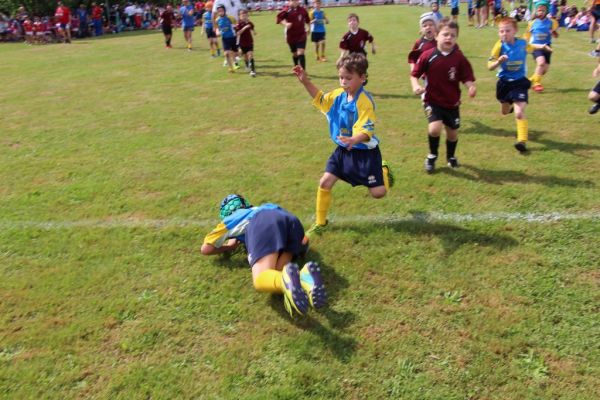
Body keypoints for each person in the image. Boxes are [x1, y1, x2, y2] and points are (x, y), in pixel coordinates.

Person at [293, 53, 394, 236]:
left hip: (365, 153)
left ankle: (384, 171)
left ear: (362, 78)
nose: (343, 82)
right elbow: (321, 100)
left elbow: (367, 129)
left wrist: (354, 139)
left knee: (378, 193)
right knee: (325, 182)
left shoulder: (365, 101)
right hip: (343, 150)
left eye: (348, 78)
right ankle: (320, 223)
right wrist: (306, 82)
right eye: (341, 77)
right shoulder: (339, 95)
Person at [200, 194, 326, 317]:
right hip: (290, 221)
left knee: (260, 279)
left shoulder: (228, 221)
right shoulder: (259, 208)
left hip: (264, 223)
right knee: (276, 274)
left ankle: (288, 279)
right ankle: (305, 278)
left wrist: (229, 247)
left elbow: (206, 249)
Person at [410, 17, 476, 173]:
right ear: (437, 35)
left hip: (452, 103)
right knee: (434, 129)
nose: (449, 38)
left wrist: (471, 87)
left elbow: (466, 76)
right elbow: (415, 74)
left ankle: (451, 157)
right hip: (432, 100)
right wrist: (415, 85)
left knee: (452, 134)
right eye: (445, 34)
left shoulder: (459, 58)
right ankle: (432, 156)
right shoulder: (427, 55)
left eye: (453, 35)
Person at [487, 17, 553, 153]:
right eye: (501, 31)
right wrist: (498, 62)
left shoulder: (522, 43)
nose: (504, 34)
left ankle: (522, 141)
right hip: (504, 83)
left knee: (519, 113)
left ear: (515, 31)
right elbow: (489, 66)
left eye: (507, 31)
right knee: (505, 111)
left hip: (519, 83)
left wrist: (543, 47)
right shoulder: (499, 46)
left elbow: (532, 46)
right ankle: (508, 106)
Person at [524, 1, 559, 93]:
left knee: (544, 70)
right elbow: (526, 35)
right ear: (536, 11)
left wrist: (554, 32)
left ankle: (530, 80)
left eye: (543, 11)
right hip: (536, 47)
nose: (540, 12)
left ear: (547, 11)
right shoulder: (532, 23)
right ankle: (537, 84)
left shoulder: (551, 22)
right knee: (541, 63)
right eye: (539, 10)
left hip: (547, 47)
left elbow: (556, 35)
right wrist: (525, 44)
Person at [277, 0, 310, 70]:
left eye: (296, 0)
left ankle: (303, 71)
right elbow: (279, 19)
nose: (295, 2)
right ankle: (296, 66)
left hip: (301, 35)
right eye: (293, 0)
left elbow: (307, 20)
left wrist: (308, 28)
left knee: (300, 52)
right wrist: (285, 24)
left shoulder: (303, 10)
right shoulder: (286, 10)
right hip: (291, 36)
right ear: (289, 2)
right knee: (295, 54)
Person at [215, 5, 238, 72]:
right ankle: (230, 68)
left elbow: (237, 25)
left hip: (233, 37)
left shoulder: (230, 18)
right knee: (227, 53)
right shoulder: (217, 20)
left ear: (224, 11)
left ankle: (235, 62)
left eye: (221, 10)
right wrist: (217, 32)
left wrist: (236, 29)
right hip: (225, 39)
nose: (220, 12)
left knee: (235, 53)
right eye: (219, 11)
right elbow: (217, 28)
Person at [235, 9, 257, 77]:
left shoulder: (249, 23)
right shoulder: (238, 24)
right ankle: (247, 65)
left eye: (245, 15)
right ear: (239, 16)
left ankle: (252, 71)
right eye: (242, 15)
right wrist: (245, 28)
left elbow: (252, 28)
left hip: (249, 42)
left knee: (250, 55)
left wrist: (254, 31)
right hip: (242, 43)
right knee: (245, 57)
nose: (244, 16)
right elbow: (238, 33)